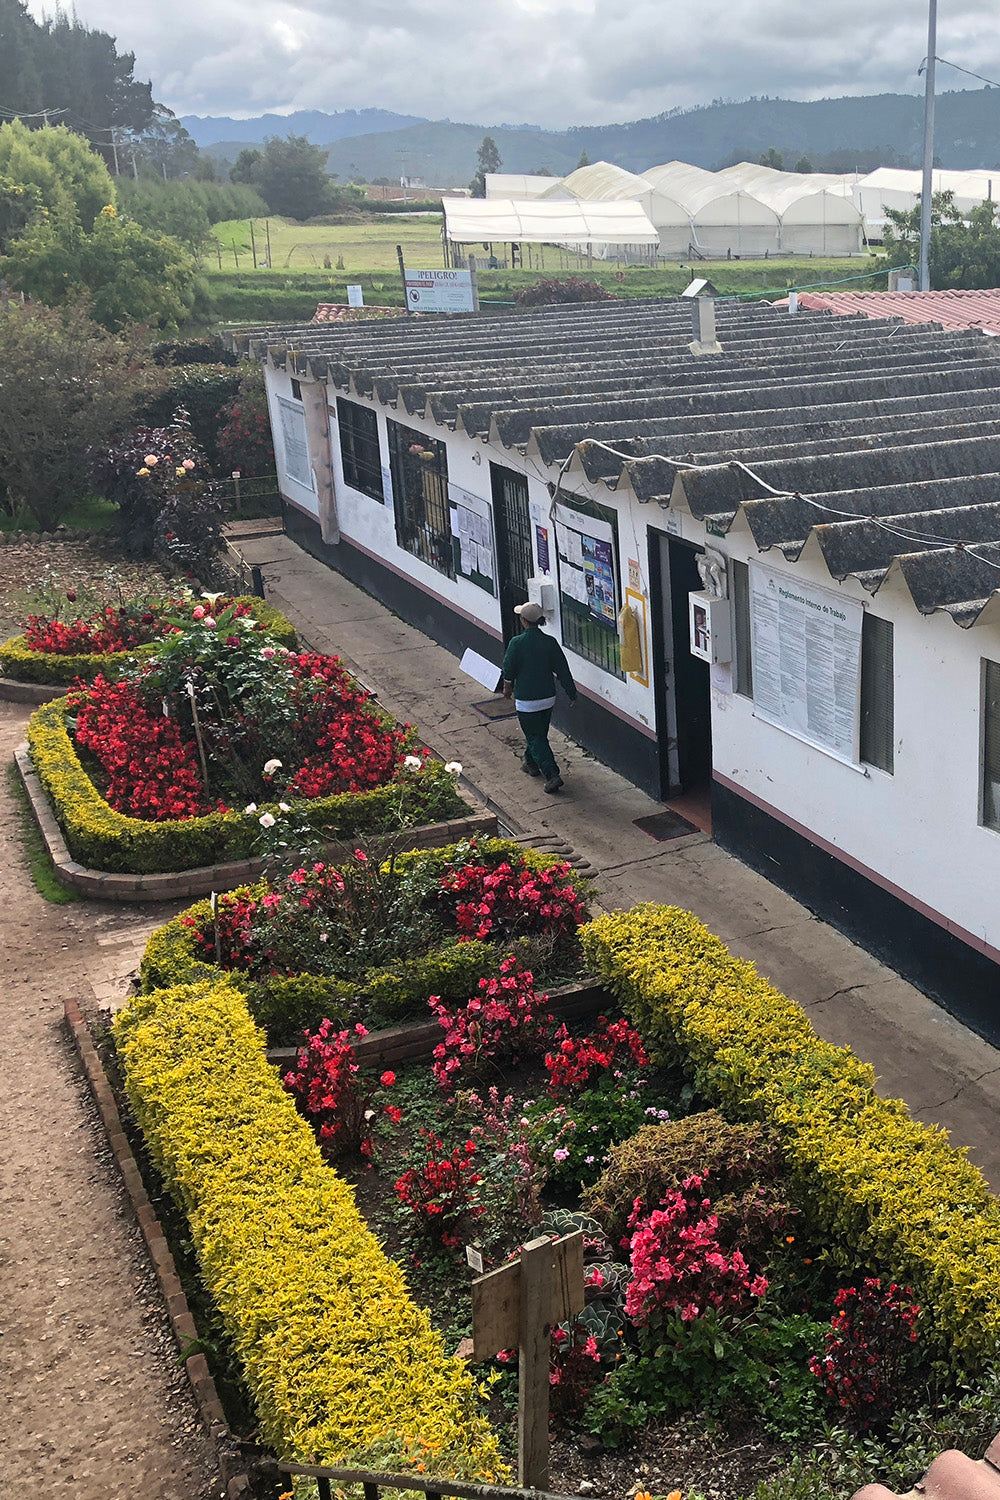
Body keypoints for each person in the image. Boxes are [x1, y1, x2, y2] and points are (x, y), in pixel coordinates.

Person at [501, 601, 577, 793]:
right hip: (547, 697)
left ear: (523, 620)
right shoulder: (549, 642)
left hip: (527, 700)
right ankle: (531, 763)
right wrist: (571, 693)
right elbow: (562, 670)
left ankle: (552, 774)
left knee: (535, 736)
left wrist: (507, 689)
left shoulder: (516, 643)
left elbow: (508, 670)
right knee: (538, 734)